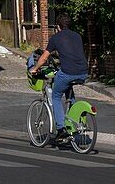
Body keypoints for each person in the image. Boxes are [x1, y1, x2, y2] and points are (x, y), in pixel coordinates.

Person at [30, 12, 89, 140]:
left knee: (56, 95)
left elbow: (44, 57)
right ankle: (73, 119)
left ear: (58, 26)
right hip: (84, 72)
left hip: (68, 72)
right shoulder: (77, 36)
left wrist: (35, 69)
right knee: (68, 89)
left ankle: (61, 128)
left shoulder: (55, 38)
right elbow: (72, 52)